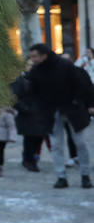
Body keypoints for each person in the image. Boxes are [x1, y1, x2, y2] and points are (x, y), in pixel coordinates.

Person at [25, 43, 93, 189]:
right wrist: (39, 109)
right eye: (31, 56)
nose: (33, 59)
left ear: (44, 55)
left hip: (72, 110)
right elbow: (32, 93)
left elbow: (82, 85)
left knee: (81, 143)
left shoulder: (65, 66)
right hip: (51, 112)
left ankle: (85, 175)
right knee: (56, 145)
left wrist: (79, 102)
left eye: (35, 56)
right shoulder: (36, 71)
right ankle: (61, 176)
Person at [12, 64, 51, 172]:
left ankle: (28, 159)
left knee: (38, 138)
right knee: (30, 138)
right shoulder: (20, 80)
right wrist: (25, 108)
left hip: (41, 113)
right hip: (28, 115)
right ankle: (29, 161)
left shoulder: (42, 78)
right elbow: (13, 98)